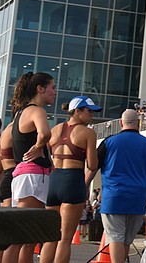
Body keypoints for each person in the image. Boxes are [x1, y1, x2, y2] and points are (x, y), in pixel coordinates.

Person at [88, 108, 146, 263]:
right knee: (127, 239)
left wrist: (84, 185)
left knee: (115, 237)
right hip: (138, 196)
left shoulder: (109, 142)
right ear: (138, 123)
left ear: (121, 123)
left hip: (114, 196)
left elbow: (93, 166)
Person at [39, 96, 100, 263]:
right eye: (89, 111)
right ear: (77, 111)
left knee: (50, 237)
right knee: (65, 238)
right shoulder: (88, 133)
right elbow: (93, 165)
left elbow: (47, 154)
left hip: (54, 179)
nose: (92, 115)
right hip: (72, 180)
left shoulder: (55, 129)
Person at [9, 71, 57, 263]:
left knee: (27, 238)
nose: (55, 92)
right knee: (21, 237)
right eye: (52, 87)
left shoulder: (21, 112)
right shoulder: (37, 111)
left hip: (26, 176)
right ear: (40, 89)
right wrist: (38, 147)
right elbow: (45, 133)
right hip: (32, 176)